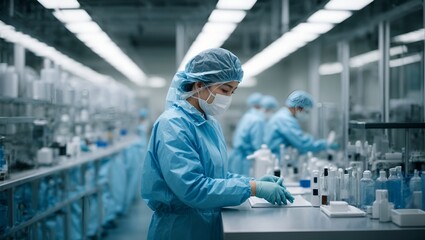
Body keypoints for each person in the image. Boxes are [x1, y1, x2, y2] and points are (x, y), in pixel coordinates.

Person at [141, 48, 294, 240]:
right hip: (180, 229)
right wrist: (252, 189)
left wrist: (251, 182)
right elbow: (193, 188)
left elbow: (215, 175)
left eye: (233, 91)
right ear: (199, 85)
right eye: (224, 90)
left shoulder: (209, 123)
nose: (228, 97)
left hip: (208, 222)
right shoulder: (172, 125)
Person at [264, 90, 338, 157]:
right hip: (278, 160)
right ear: (298, 107)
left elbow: (297, 137)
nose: (306, 114)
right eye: (306, 111)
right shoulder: (284, 119)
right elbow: (302, 143)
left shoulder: (283, 116)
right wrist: (325, 143)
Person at [228, 92, 265, 176]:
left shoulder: (247, 116)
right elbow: (257, 146)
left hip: (236, 157)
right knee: (243, 183)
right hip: (245, 159)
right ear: (259, 106)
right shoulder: (257, 120)